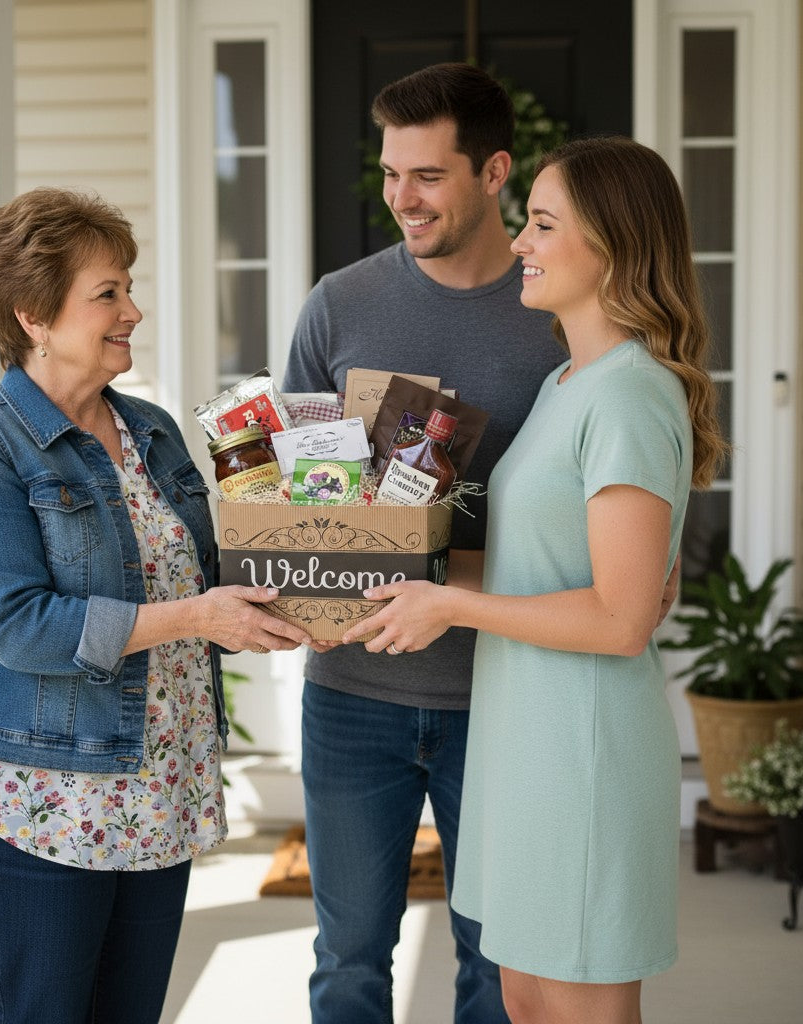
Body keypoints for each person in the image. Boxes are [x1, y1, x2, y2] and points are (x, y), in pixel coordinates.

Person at [342, 137, 727, 1024]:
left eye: (543, 224)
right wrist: (376, 564)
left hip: (581, 752)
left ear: (616, 248)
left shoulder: (630, 395)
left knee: (579, 1004)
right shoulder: (567, 381)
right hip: (523, 740)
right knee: (523, 997)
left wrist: (448, 604)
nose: (519, 241)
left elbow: (621, 618)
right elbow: (531, 566)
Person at [0, 187, 312, 1024]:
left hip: (160, 784)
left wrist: (323, 552)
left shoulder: (153, 430)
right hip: (48, 794)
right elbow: (21, 627)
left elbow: (209, 576)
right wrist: (199, 618)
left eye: (127, 287)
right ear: (33, 314)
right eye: (108, 293)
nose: (133, 310)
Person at [282, 62, 568, 1024]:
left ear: (494, 173)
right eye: (391, 173)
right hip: (353, 696)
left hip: (503, 691)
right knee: (349, 958)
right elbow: (299, 497)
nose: (403, 197)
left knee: (496, 961)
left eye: (429, 175)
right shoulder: (338, 306)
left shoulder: (557, 317)